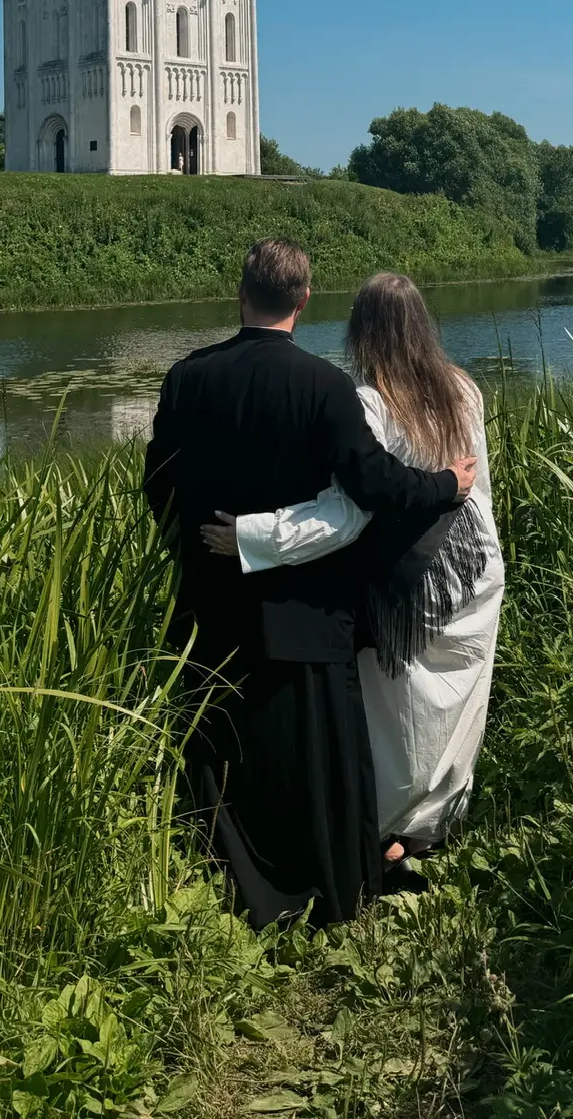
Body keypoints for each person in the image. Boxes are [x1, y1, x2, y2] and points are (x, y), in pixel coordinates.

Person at [143, 239, 476, 931]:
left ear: (240, 294)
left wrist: (196, 544)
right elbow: (372, 486)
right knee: (314, 752)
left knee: (223, 743)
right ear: (303, 301)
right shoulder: (325, 386)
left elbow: (158, 481)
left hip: (212, 599)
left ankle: (224, 881)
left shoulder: (185, 378)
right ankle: (328, 886)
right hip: (306, 610)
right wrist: (448, 485)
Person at [202, 273, 504, 881]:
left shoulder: (371, 401)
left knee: (394, 717)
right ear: (424, 323)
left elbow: (345, 516)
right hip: (475, 568)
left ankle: (380, 831)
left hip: (409, 586)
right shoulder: (463, 388)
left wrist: (251, 536)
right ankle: (433, 828)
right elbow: (478, 486)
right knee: (455, 707)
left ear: (361, 329)